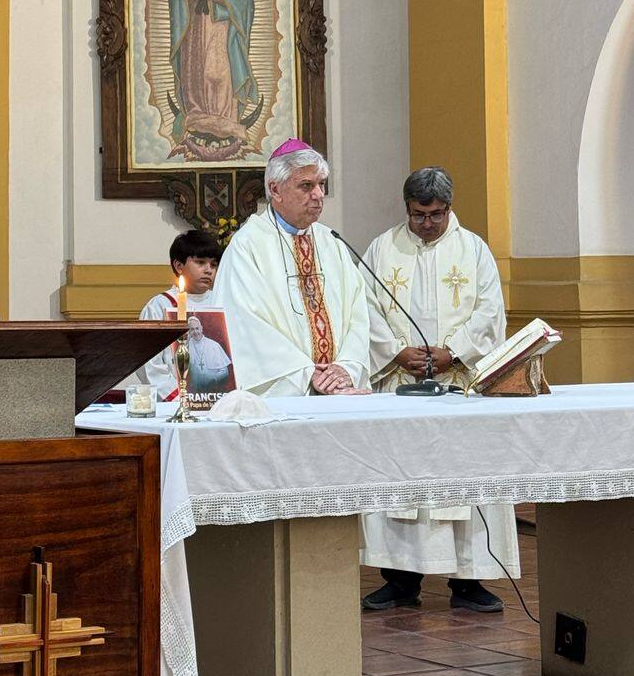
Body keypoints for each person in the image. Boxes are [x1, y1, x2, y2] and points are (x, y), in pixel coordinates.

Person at [359, 166, 518, 613]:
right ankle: (400, 579)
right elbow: (363, 308)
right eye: (417, 215)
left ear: (449, 208)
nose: (426, 224)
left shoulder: (473, 250)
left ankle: (469, 581)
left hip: (458, 385)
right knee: (403, 481)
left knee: (464, 479)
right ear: (405, 209)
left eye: (435, 214)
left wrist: (455, 352)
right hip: (400, 386)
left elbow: (490, 313)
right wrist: (394, 352)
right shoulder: (381, 249)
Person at [212, 139, 370, 396]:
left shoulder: (332, 242)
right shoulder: (248, 244)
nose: (318, 195)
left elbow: (358, 315)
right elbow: (244, 325)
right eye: (306, 186)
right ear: (275, 190)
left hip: (341, 393)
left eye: (321, 184)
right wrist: (306, 374)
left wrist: (346, 368)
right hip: (285, 394)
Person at [168, 0, 260, 160]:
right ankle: (198, 115)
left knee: (218, 72)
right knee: (196, 72)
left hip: (221, 28)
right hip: (195, 29)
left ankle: (225, 119)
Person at [133, 229, 228, 397]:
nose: (209, 270)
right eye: (200, 262)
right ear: (179, 266)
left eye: (213, 265)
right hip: (175, 400)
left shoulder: (222, 302)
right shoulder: (160, 306)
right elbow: (148, 362)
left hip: (219, 398)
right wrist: (176, 396)